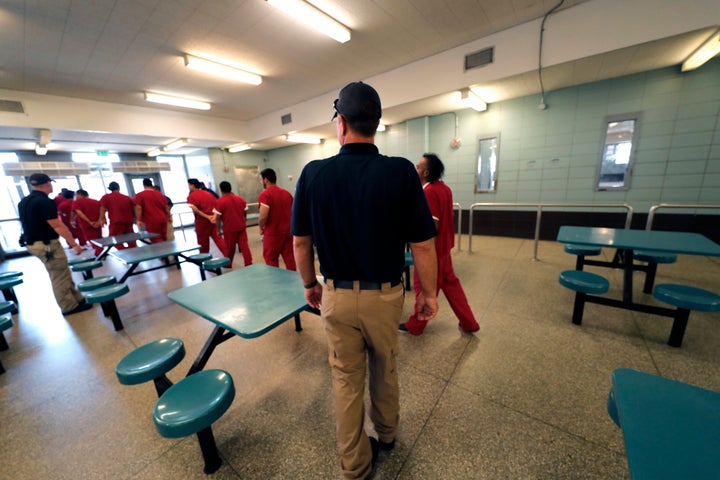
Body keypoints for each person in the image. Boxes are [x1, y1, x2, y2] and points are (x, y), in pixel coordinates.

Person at [292, 81, 439, 480]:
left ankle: (355, 467)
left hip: (336, 296)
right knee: (385, 366)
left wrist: (310, 284)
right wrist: (429, 293)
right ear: (376, 124)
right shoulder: (401, 172)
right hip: (386, 295)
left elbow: (300, 242)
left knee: (345, 379)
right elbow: (423, 246)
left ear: (341, 124)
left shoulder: (313, 174)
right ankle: (387, 435)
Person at [400, 154, 481, 335]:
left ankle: (416, 325)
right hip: (445, 248)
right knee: (452, 287)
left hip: (434, 251)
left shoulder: (428, 192)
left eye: (418, 167)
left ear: (426, 172)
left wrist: (427, 255)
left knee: (424, 287)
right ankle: (469, 323)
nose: (415, 170)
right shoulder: (444, 188)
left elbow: (432, 225)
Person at [18, 174, 92, 316]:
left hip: (33, 243)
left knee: (62, 272)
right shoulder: (45, 202)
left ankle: (77, 298)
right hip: (47, 245)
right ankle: (68, 306)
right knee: (59, 276)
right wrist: (74, 244)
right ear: (47, 183)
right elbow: (57, 225)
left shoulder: (24, 202)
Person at [258, 168, 296, 270]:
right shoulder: (286, 193)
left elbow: (263, 215)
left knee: (271, 258)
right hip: (288, 232)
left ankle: (275, 283)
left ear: (265, 180)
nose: (261, 182)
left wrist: (261, 227)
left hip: (273, 234)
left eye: (261, 179)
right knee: (290, 258)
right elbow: (294, 211)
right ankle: (294, 281)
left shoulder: (265, 194)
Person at [213, 181, 252, 267]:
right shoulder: (240, 199)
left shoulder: (220, 202)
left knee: (230, 248)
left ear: (221, 190)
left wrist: (218, 230)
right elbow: (245, 212)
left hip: (229, 229)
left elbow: (218, 218)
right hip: (241, 227)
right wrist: (243, 220)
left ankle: (228, 264)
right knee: (244, 247)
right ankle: (249, 263)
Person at [187, 178, 226, 254]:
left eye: (189, 185)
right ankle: (228, 256)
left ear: (192, 185)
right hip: (213, 221)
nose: (188, 187)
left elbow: (195, 210)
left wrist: (207, 217)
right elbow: (217, 206)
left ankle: (204, 260)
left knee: (203, 244)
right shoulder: (208, 193)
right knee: (219, 239)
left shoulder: (191, 196)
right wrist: (213, 216)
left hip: (202, 222)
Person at [99, 181, 136, 248]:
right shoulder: (127, 197)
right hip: (129, 221)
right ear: (118, 188)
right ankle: (134, 252)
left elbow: (102, 209)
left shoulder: (106, 197)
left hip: (116, 222)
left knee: (115, 239)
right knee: (131, 239)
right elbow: (134, 209)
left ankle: (123, 253)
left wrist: (102, 219)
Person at [134, 178, 169, 243]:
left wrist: (138, 220)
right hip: (163, 219)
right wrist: (169, 216)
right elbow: (166, 207)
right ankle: (168, 251)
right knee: (164, 238)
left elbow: (138, 208)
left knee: (156, 239)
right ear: (151, 185)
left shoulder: (140, 195)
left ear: (144, 185)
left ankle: (162, 252)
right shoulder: (159, 194)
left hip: (152, 221)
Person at [73, 189, 103, 257]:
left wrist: (90, 222)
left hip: (87, 224)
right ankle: (101, 252)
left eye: (76, 195)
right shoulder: (95, 201)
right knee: (100, 239)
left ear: (80, 194)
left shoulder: (77, 202)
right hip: (97, 224)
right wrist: (99, 221)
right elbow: (102, 211)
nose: (76, 196)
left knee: (92, 240)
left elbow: (79, 213)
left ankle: (99, 253)